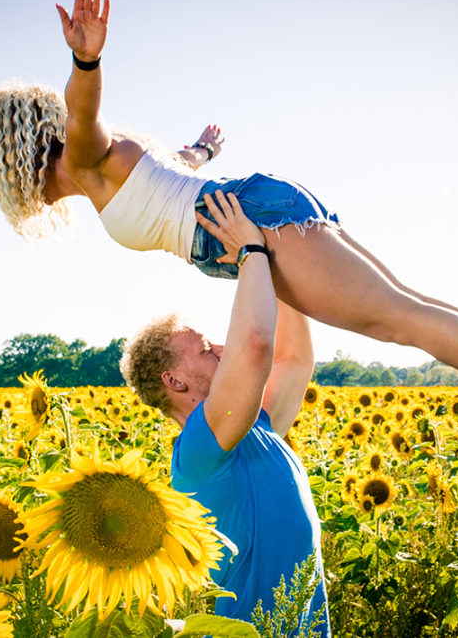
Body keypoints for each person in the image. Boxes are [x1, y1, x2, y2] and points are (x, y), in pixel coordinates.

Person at [0, 0, 458, 466]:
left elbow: (84, 116)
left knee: (400, 321)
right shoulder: (114, 173)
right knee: (408, 307)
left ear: (23, 159)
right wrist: (205, 149)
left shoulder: (86, 160)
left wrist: (86, 63)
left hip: (260, 228)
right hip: (262, 207)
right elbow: (180, 164)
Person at [120, 190, 330, 635]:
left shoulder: (256, 422)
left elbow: (292, 360)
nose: (218, 348)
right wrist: (249, 253)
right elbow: (254, 347)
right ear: (174, 382)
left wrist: (277, 255)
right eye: (202, 348)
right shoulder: (199, 450)